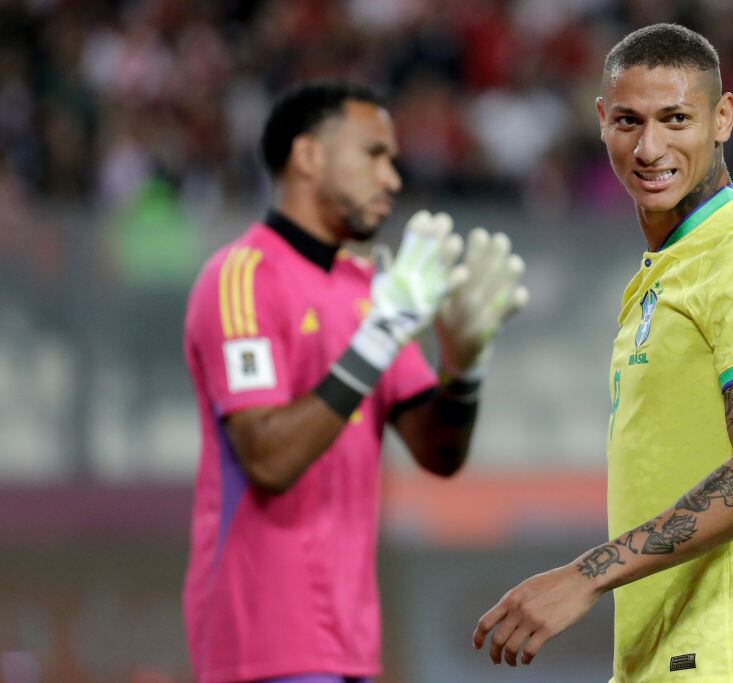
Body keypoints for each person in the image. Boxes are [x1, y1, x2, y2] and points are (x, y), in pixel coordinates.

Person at [473, 23, 733, 682]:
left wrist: (584, 576)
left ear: (723, 117)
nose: (650, 146)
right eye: (629, 122)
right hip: (671, 655)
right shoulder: (664, 271)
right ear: (602, 121)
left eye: (676, 119)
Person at [182, 81, 527, 683]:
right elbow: (268, 458)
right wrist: (378, 336)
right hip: (261, 643)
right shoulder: (241, 278)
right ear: (308, 155)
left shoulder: (367, 291)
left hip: (349, 645)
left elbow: (438, 452)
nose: (392, 178)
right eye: (374, 154)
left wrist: (464, 365)